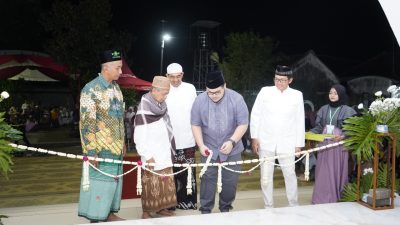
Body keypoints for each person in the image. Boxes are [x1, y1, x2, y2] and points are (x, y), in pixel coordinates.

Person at [78, 49, 126, 223]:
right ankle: (96, 217)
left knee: (113, 183)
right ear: (107, 68)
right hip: (100, 148)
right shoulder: (90, 89)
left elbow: (120, 118)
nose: (121, 72)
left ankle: (110, 213)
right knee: (99, 184)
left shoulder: (116, 88)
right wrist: (91, 151)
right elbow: (86, 123)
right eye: (118, 68)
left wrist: (123, 141)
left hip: (116, 146)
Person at [191, 71, 249, 214]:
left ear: (225, 86)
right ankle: (205, 210)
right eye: (210, 93)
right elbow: (195, 124)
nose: (213, 96)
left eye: (217, 92)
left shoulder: (236, 99)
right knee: (207, 181)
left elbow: (243, 124)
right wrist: (201, 145)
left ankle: (225, 208)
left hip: (232, 148)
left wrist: (232, 141)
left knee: (230, 182)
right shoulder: (199, 101)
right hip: (208, 149)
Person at [250, 65, 305, 208]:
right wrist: (254, 137)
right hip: (265, 140)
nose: (279, 82)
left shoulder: (297, 95)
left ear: (290, 80)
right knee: (265, 176)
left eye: (282, 80)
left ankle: (293, 204)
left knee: (290, 174)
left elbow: (300, 120)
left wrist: (298, 144)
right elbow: (256, 115)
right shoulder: (265, 91)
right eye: (277, 79)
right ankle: (268, 205)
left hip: (288, 141)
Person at [134, 76, 177, 219]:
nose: (166, 97)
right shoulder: (144, 108)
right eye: (164, 93)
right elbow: (139, 136)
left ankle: (161, 208)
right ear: (154, 90)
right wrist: (147, 155)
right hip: (151, 154)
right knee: (150, 185)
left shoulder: (162, 106)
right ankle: (146, 212)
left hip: (164, 151)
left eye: (167, 94)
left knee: (165, 184)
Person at [310, 84, 356, 204]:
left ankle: (335, 196)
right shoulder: (324, 109)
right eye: (331, 93)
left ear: (341, 95)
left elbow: (351, 128)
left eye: (335, 93)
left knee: (335, 169)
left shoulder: (347, 110)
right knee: (322, 170)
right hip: (324, 142)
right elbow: (319, 127)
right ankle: (321, 198)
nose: (332, 95)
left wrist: (343, 136)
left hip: (338, 143)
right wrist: (309, 134)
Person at [165, 63, 198, 210]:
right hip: (168, 141)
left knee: (188, 172)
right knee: (171, 173)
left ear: (182, 75)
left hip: (188, 139)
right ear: (167, 76)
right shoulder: (163, 89)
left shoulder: (190, 88)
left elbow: (196, 112)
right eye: (172, 77)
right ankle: (171, 203)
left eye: (178, 76)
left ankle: (189, 202)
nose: (175, 80)